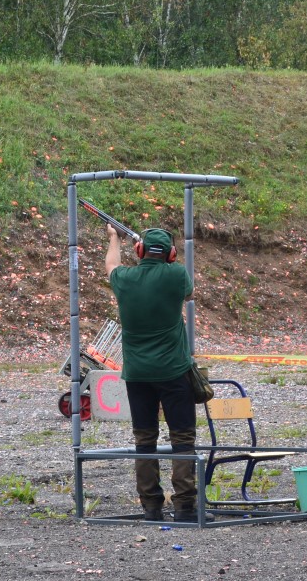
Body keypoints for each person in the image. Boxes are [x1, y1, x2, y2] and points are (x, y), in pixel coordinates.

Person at [105, 223, 198, 522]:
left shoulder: (125, 279)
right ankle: (184, 507)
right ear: (171, 254)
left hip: (137, 375)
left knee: (144, 439)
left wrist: (114, 238)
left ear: (140, 250)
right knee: (182, 438)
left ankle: (151, 507)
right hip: (174, 371)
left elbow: (111, 265)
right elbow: (189, 294)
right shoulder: (176, 274)